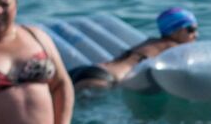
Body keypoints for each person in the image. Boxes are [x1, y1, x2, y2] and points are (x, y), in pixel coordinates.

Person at [68, 7, 199, 92]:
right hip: (104, 79)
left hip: (88, 70)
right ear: (175, 31)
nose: (196, 35)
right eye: (190, 30)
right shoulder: (173, 48)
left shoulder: (151, 42)